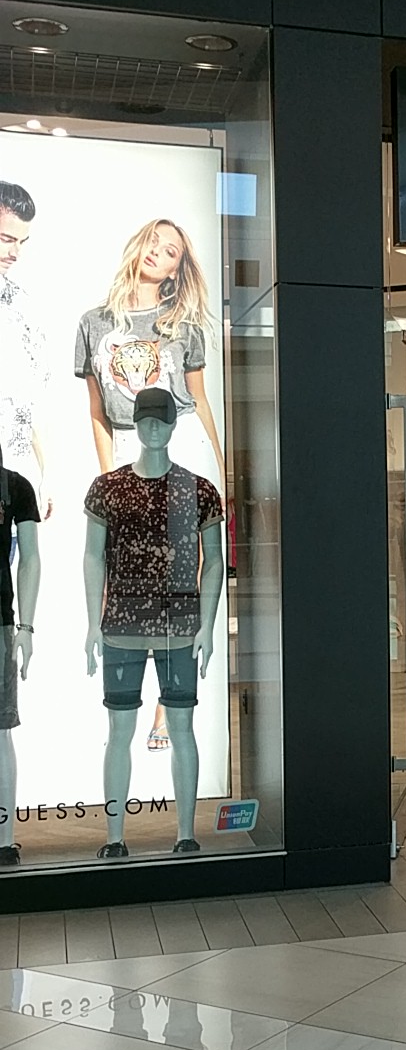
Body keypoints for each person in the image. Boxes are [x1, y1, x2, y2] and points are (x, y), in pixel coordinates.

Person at [75, 218, 225, 751]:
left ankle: (167, 707)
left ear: (178, 269)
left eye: (172, 252)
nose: (160, 253)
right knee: (123, 561)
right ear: (139, 246)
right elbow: (97, 410)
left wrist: (219, 465)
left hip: (182, 439)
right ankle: (126, 685)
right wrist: (106, 474)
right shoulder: (94, 323)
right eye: (155, 243)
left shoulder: (183, 325)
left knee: (184, 564)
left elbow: (198, 399)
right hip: (125, 442)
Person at [0, 180, 51, 518]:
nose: (15, 253)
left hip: (15, 485)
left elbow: (32, 402)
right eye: (6, 239)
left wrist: (46, 475)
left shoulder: (23, 308)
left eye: (22, 242)